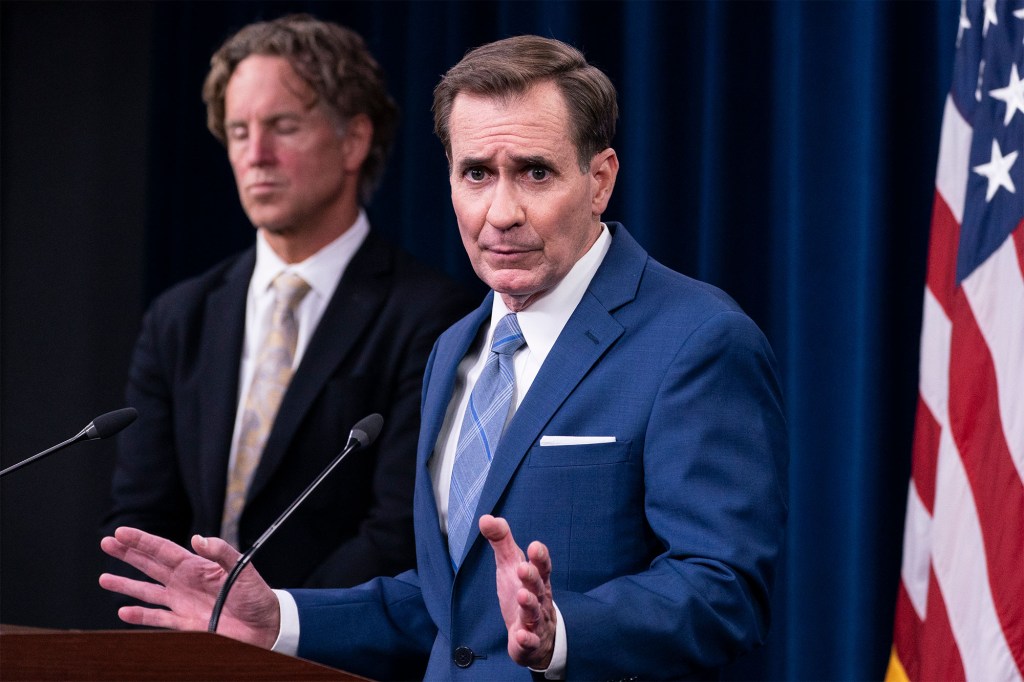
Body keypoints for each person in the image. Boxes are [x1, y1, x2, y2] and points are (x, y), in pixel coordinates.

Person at [101, 35, 788, 680]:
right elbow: (445, 608)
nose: (501, 211)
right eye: (477, 174)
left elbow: (722, 590)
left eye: (535, 173)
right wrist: (278, 616)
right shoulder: (455, 348)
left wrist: (565, 631)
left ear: (599, 179)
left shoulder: (696, 340)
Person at [101, 15, 474, 590]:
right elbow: (141, 517)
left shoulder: (431, 316)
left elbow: (398, 531)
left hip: (325, 658)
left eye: (282, 126)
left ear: (354, 139)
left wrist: (274, 629)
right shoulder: (179, 318)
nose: (256, 155)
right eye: (239, 131)